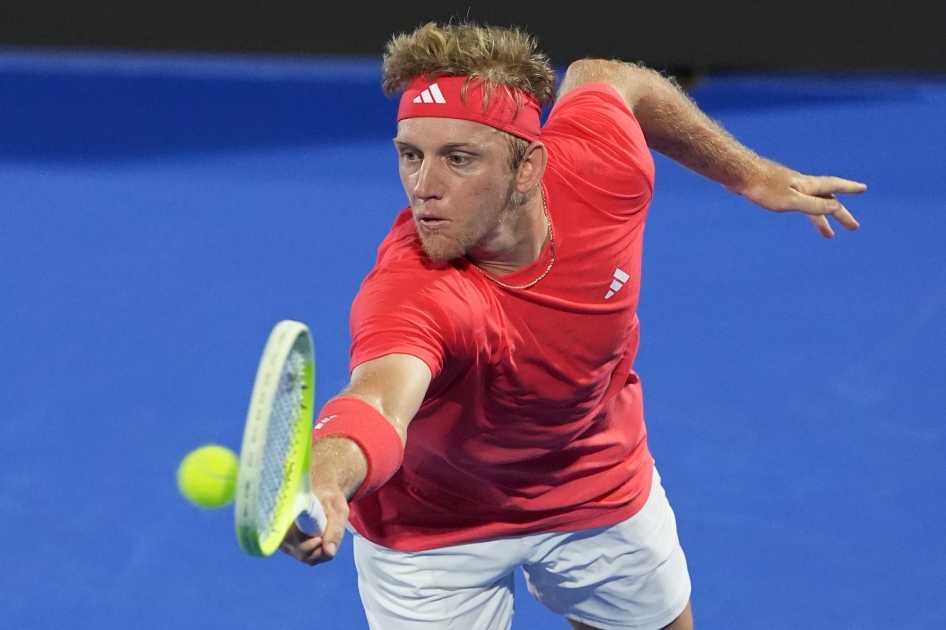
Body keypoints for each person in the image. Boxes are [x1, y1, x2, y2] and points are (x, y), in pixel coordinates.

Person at [280, 22, 866, 630]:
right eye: (410, 155)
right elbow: (375, 401)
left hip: (590, 475)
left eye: (459, 158)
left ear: (529, 166)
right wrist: (327, 482)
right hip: (433, 524)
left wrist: (749, 174)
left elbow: (608, 77)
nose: (424, 187)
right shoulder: (412, 291)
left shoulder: (602, 169)